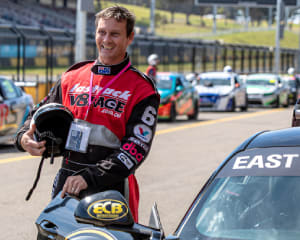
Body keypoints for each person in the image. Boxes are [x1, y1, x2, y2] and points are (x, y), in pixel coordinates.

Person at [14, 5, 160, 223]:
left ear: (130, 37)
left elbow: (137, 147)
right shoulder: (72, 76)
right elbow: (38, 113)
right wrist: (24, 137)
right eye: (102, 32)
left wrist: (90, 177)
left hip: (112, 183)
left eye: (115, 34)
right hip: (68, 177)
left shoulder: (142, 89)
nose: (106, 40)